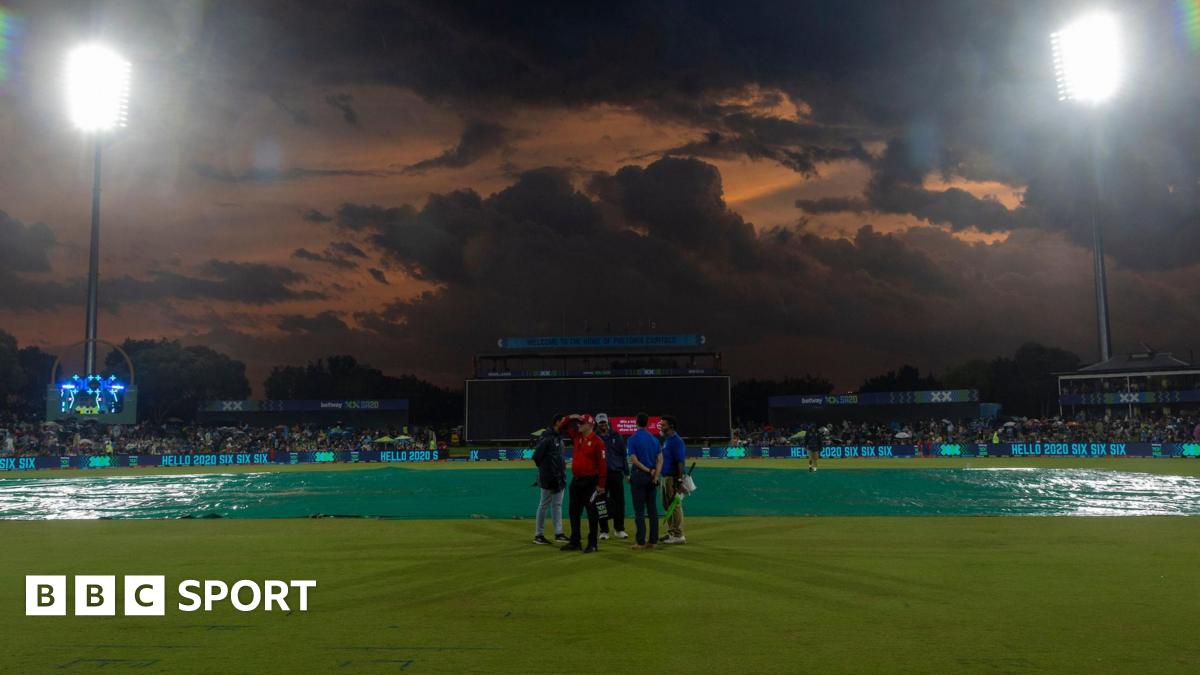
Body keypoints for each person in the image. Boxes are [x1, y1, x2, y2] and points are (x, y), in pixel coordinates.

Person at [557, 413, 607, 553]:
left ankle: (592, 544)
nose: (578, 425)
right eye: (579, 423)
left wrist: (601, 485)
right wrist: (571, 417)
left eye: (582, 423)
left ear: (590, 425)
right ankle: (575, 542)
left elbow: (603, 465)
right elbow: (561, 427)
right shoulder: (577, 437)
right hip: (576, 481)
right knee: (573, 512)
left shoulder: (598, 442)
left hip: (591, 482)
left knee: (592, 513)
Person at [626, 412, 662, 550]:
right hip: (652, 477)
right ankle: (653, 541)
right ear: (647, 423)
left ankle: (640, 541)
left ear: (636, 422)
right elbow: (660, 460)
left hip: (640, 475)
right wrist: (655, 475)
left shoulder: (632, 439)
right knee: (652, 510)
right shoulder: (654, 439)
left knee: (639, 511)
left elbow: (634, 460)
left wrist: (648, 470)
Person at [531, 414, 569, 545]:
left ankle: (559, 533)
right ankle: (538, 535)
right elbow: (536, 457)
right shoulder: (547, 437)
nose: (565, 424)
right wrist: (546, 472)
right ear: (557, 422)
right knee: (544, 504)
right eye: (563, 422)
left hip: (559, 476)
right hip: (548, 477)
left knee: (557, 505)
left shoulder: (559, 437)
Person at [594, 413, 629, 540]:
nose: (603, 424)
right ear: (597, 424)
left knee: (619, 502)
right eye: (600, 423)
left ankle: (619, 529)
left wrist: (627, 473)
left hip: (615, 474)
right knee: (600, 503)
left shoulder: (617, 436)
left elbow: (624, 456)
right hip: (600, 476)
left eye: (604, 422)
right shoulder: (594, 437)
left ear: (607, 422)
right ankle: (604, 530)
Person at [659, 414, 687, 545]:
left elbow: (680, 462)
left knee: (674, 505)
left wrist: (680, 481)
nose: (661, 425)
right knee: (667, 506)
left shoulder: (676, 441)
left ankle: (678, 535)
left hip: (673, 478)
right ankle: (671, 532)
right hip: (665, 477)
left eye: (663, 424)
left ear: (671, 426)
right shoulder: (667, 440)